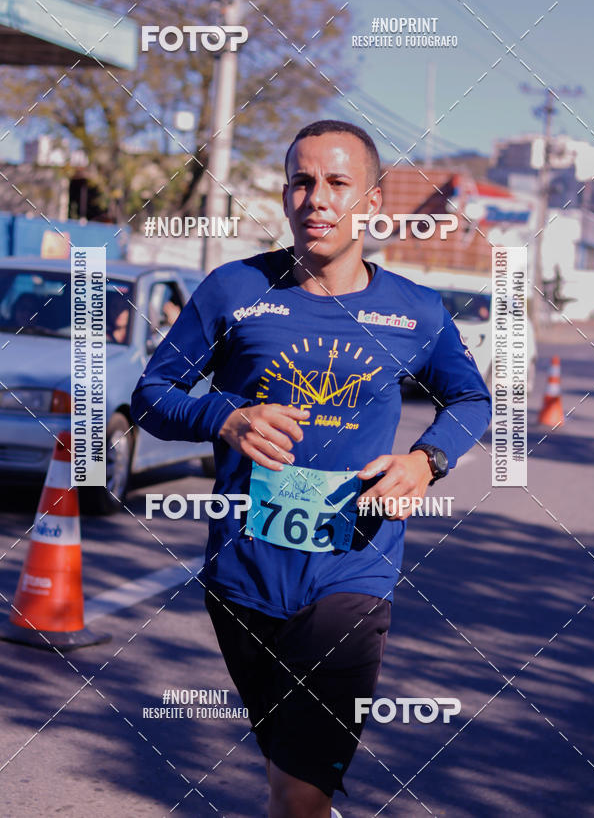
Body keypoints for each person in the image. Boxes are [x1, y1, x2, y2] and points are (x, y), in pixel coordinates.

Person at [131, 120, 492, 818]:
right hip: (241, 577)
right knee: (285, 779)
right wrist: (225, 417)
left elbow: (472, 397)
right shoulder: (233, 290)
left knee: (300, 793)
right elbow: (152, 395)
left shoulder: (414, 311)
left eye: (336, 184)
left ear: (374, 204)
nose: (316, 199)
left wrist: (428, 459)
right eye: (301, 182)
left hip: (351, 576)